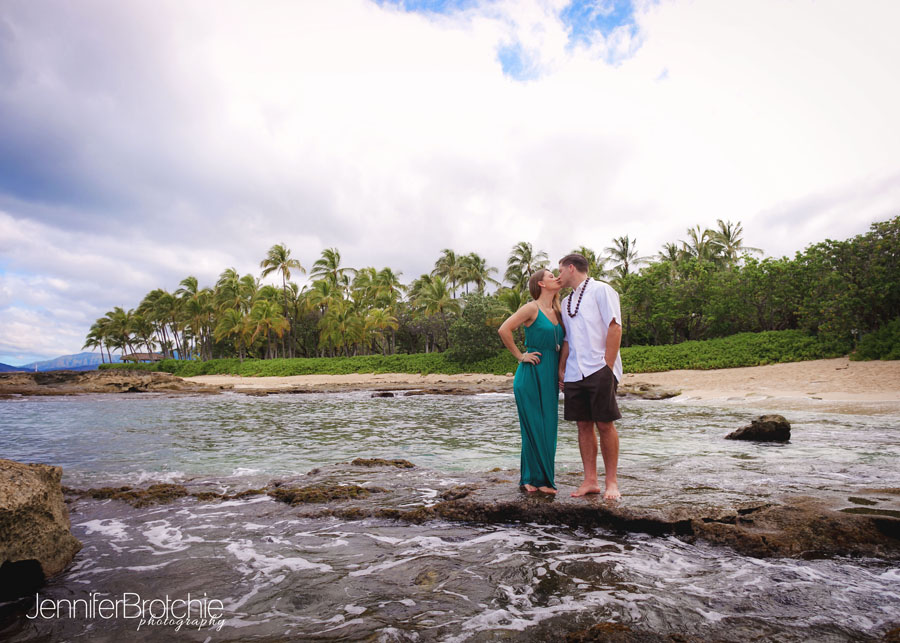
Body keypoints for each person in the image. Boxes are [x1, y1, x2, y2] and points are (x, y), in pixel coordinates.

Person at [557, 253, 623, 500]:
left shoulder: (601, 290)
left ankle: (611, 482)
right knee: (583, 425)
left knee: (605, 423)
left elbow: (615, 326)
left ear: (571, 268)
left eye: (559, 271)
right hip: (575, 371)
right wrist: (562, 368)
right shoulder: (566, 302)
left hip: (599, 368)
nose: (558, 276)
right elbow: (567, 340)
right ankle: (590, 481)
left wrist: (608, 365)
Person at [498, 269, 565, 494]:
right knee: (533, 427)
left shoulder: (558, 310)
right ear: (541, 284)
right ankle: (531, 479)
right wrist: (520, 356)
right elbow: (504, 329)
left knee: (548, 427)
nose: (556, 278)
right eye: (551, 276)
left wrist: (562, 371)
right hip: (531, 374)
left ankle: (543, 479)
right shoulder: (531, 308)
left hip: (550, 376)